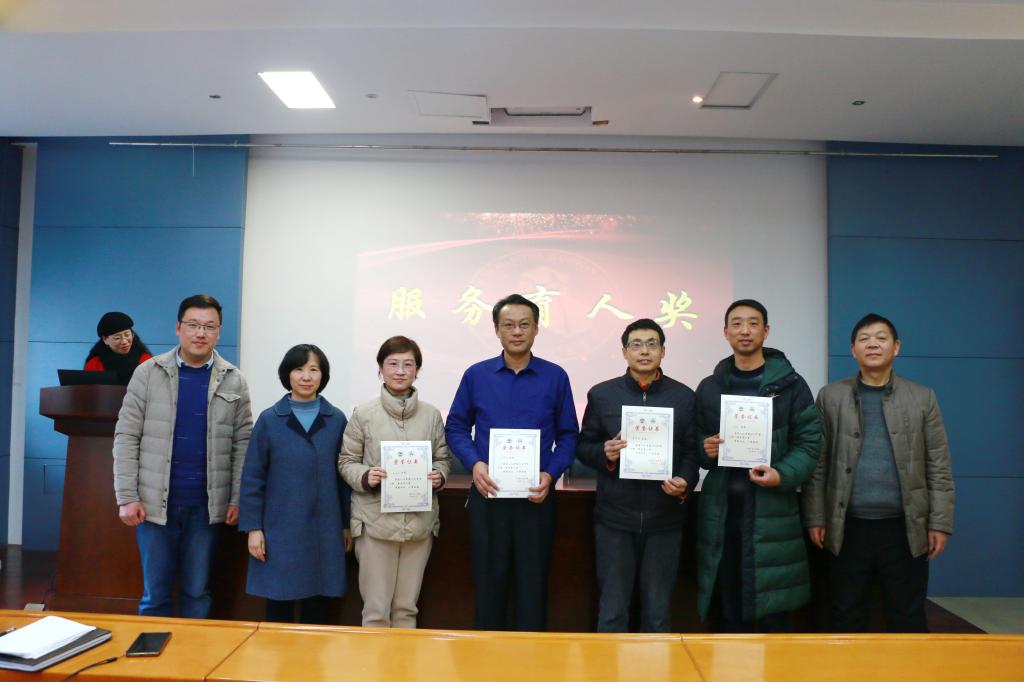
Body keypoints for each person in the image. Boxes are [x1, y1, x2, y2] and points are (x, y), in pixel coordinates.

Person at [802, 313, 954, 632]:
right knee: (845, 612)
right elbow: (818, 464)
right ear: (853, 350)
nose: (873, 344)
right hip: (847, 527)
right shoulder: (831, 396)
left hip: (904, 527)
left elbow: (938, 464)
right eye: (864, 339)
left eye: (881, 338)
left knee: (907, 614)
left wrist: (940, 522)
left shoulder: (922, 397)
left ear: (896, 347)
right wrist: (816, 517)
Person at [113, 294, 252, 618]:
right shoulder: (148, 373)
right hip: (153, 505)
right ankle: (151, 652)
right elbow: (126, 436)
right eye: (193, 325)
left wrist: (237, 498)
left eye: (209, 326)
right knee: (155, 596)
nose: (200, 333)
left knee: (197, 593)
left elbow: (243, 443)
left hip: (207, 507)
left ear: (219, 332)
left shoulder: (234, 379)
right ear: (178, 328)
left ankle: (194, 652)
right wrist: (127, 496)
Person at [446, 293, 579, 632]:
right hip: (488, 496)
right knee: (488, 585)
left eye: (524, 324)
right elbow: (456, 427)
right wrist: (475, 463)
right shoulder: (476, 375)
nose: (516, 331)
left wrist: (551, 473)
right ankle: (487, 656)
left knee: (533, 586)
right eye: (508, 325)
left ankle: (531, 657)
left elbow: (568, 435)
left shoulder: (555, 376)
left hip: (536, 499)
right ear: (496, 330)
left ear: (536, 329)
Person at [694, 299, 821, 632]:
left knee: (770, 610)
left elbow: (809, 444)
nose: (745, 330)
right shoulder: (710, 387)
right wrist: (705, 449)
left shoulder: (791, 386)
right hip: (722, 512)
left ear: (766, 330)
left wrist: (782, 474)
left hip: (771, 512)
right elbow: (694, 443)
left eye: (753, 323)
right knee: (727, 604)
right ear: (725, 332)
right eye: (736, 323)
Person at [577, 318, 699, 632]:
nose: (644, 351)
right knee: (612, 610)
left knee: (657, 613)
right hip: (615, 519)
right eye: (636, 345)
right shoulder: (602, 395)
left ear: (663, 351)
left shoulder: (684, 397)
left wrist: (685, 481)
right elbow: (583, 447)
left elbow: (691, 451)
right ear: (624, 352)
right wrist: (604, 452)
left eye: (652, 344)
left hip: (664, 519)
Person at [338, 336, 452, 628]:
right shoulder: (363, 414)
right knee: (376, 612)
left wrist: (438, 475)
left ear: (417, 370)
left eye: (408, 364)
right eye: (393, 364)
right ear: (380, 368)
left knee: (406, 610)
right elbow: (346, 461)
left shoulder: (431, 415)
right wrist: (366, 476)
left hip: (419, 525)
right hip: (375, 523)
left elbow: (442, 458)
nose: (400, 371)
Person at [239, 344, 352, 624]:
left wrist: (346, 524)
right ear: (287, 374)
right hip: (280, 530)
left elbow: (344, 478)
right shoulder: (269, 420)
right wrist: (254, 528)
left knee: (319, 609)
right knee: (279, 606)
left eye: (314, 370)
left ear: (323, 376)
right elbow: (252, 477)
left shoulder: (336, 419)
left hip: (325, 529)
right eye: (299, 369)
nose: (306, 377)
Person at [84, 311, 153, 384]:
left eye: (127, 335)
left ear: (132, 334)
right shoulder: (94, 364)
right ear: (105, 339)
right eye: (117, 338)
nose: (124, 341)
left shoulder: (145, 360)